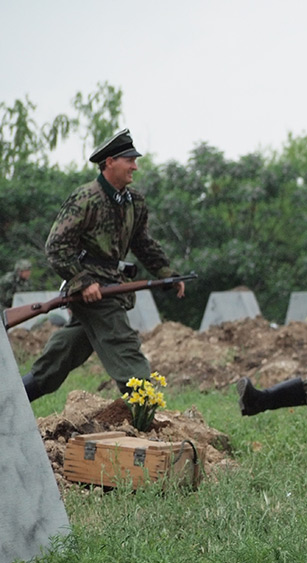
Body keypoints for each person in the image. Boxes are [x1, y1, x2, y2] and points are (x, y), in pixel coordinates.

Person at [21, 128, 186, 402]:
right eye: (129, 160)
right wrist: (83, 282)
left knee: (63, 352)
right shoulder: (86, 198)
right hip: (94, 291)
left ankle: (9, 401)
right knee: (125, 348)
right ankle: (147, 415)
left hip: (112, 287)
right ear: (109, 162)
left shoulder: (134, 202)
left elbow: (142, 242)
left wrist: (167, 273)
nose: (135, 166)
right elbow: (56, 246)